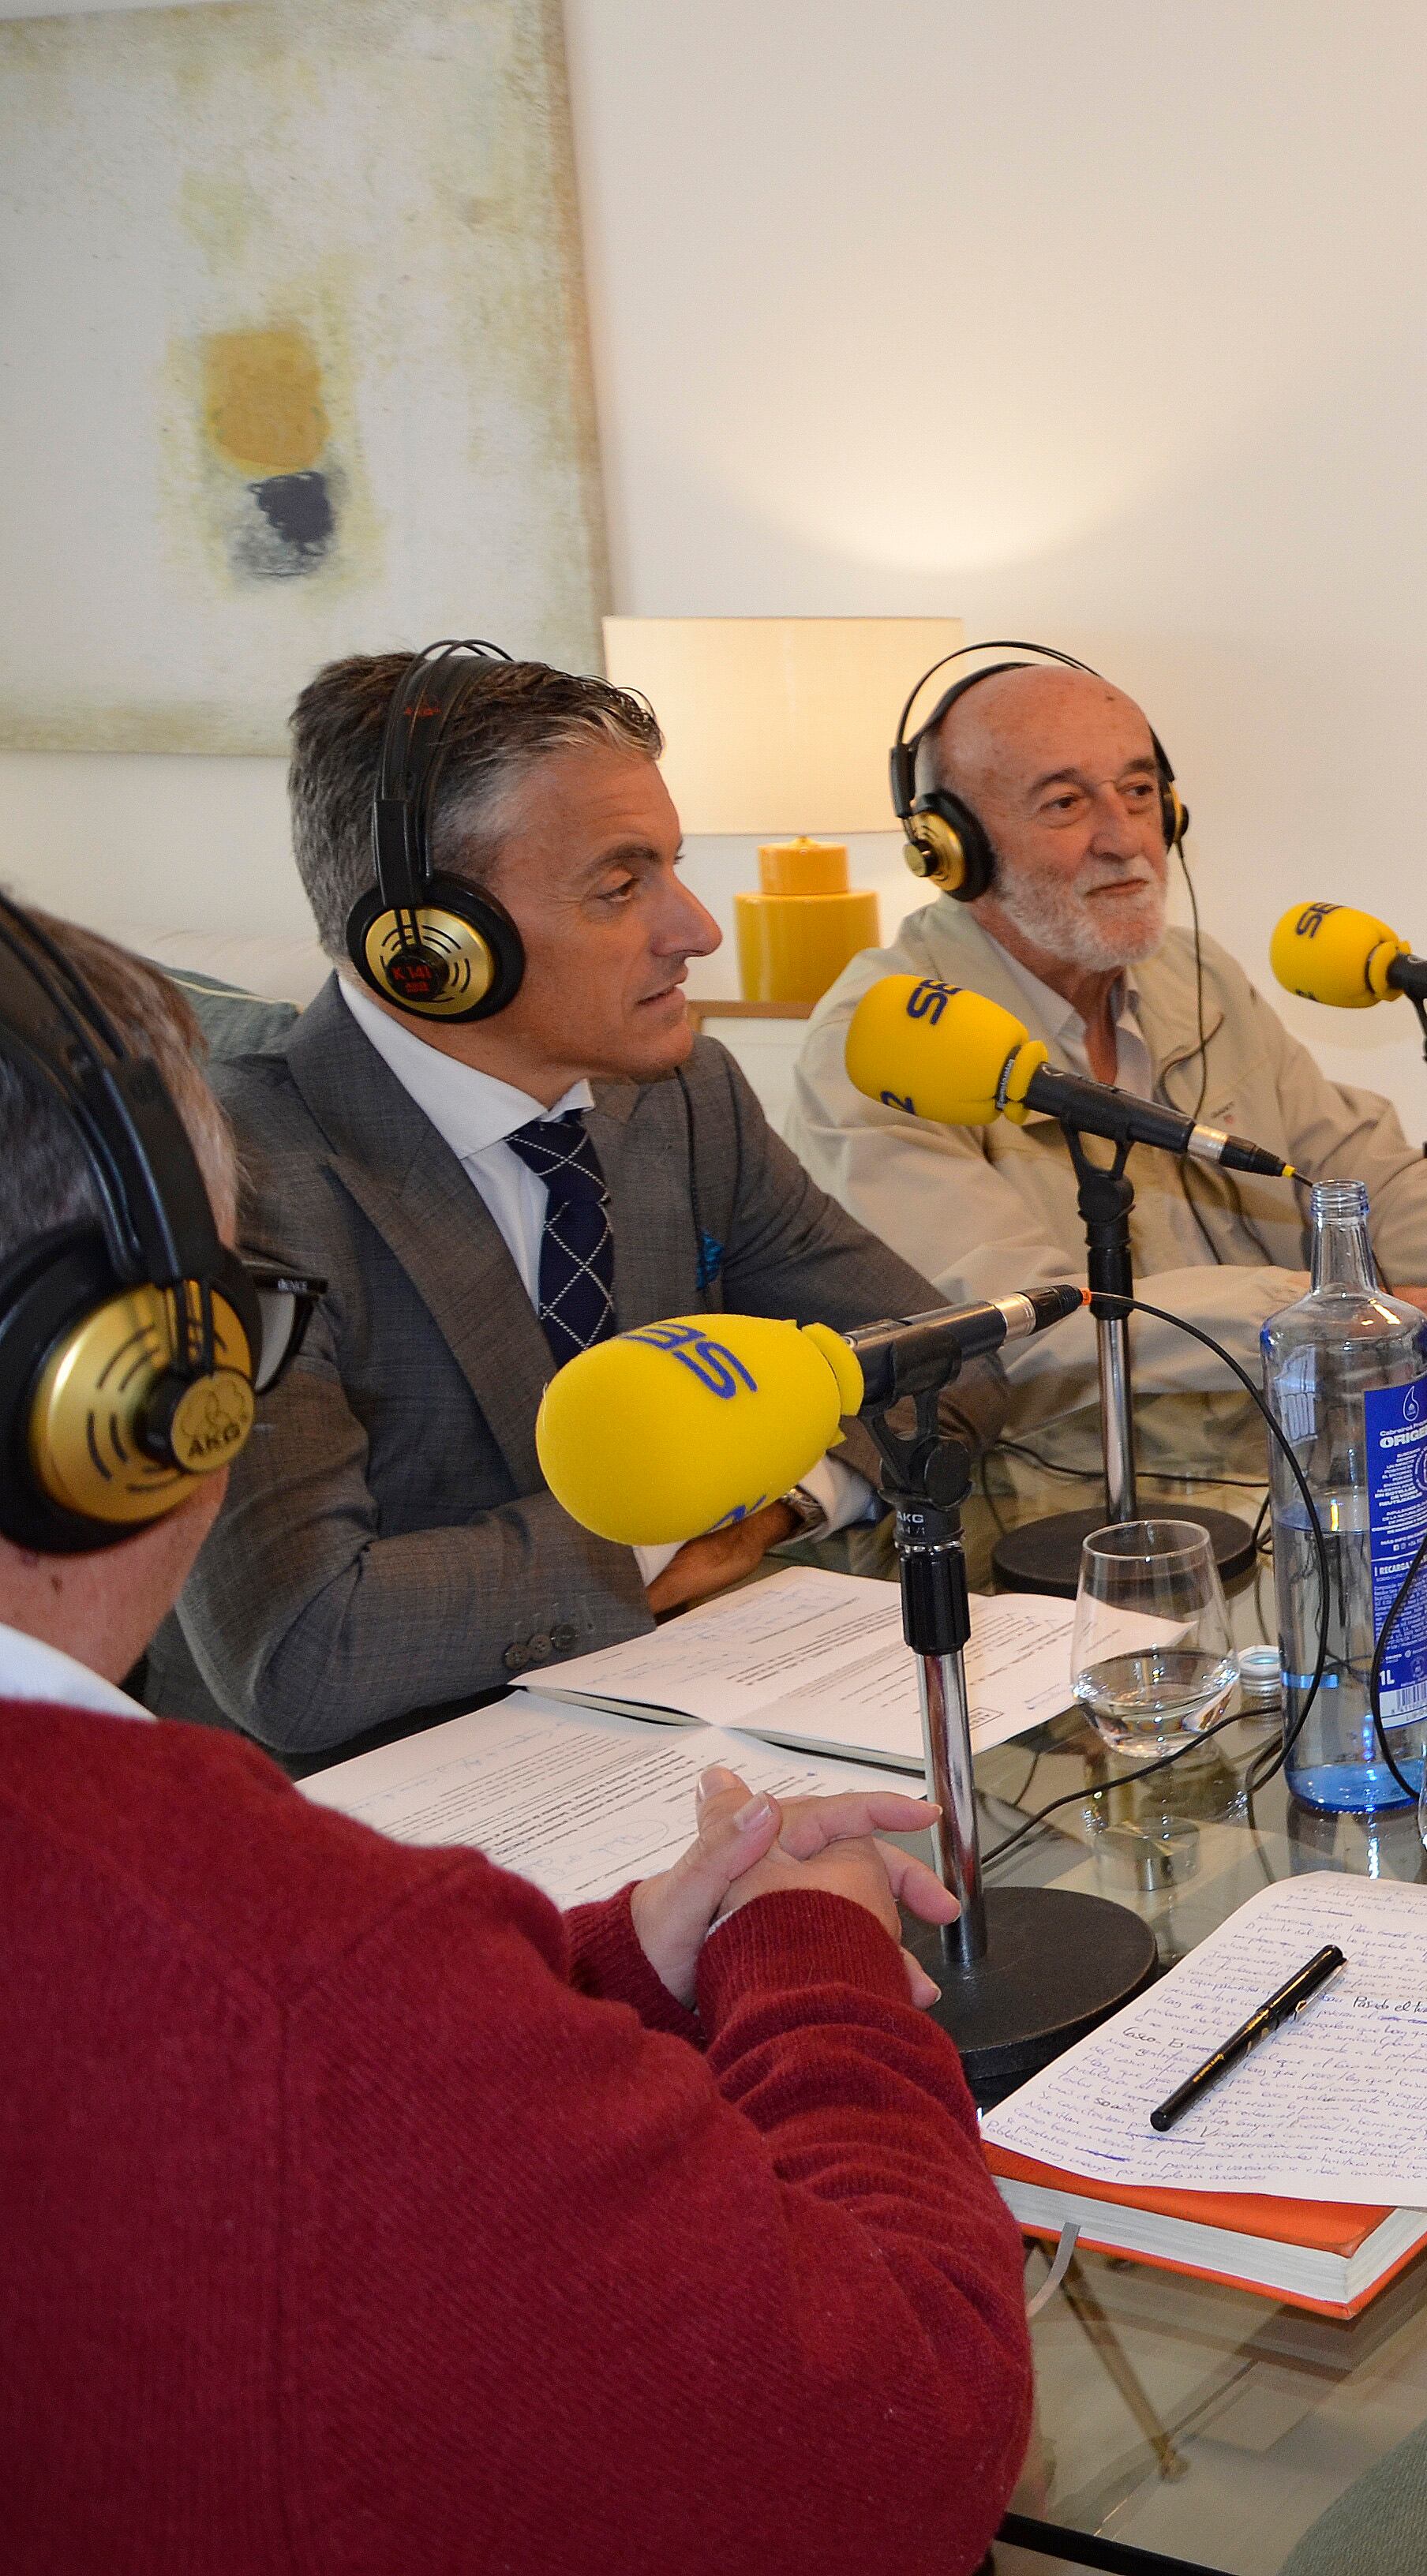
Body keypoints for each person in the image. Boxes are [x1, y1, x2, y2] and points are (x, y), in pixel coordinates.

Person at [0, 897, 1027, 2574]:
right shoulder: (287, 1974)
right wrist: (814, 1964)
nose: (691, 922)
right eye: (230, 1307)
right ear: (114, 1387)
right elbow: (906, 2440)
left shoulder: (682, 1099)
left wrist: (616, 1958)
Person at [151, 648, 1009, 1767]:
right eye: (620, 886)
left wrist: (777, 1504)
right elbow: (305, 1650)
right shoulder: (227, 1180)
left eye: (672, 868)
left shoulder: (684, 1098)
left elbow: (946, 1362)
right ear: (432, 947)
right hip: (372, 1795)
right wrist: (649, 1536)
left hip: (675, 1725)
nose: (696, 929)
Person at [791, 654, 1427, 1488]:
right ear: (951, 847)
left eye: (1139, 792)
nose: (1123, 839)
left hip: (1289, 1465)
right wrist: (1365, 1322)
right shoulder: (884, 1043)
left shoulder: (1193, 975)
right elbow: (1016, 1318)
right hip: (1061, 1504)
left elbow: (1353, 1177)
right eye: (1064, 803)